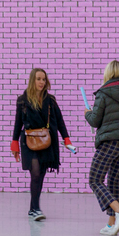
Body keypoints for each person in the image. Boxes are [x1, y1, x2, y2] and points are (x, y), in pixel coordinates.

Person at [84, 60, 119, 236]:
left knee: (95, 179)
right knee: (114, 180)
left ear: (107, 73)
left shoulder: (103, 94)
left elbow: (95, 121)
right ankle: (112, 224)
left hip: (109, 142)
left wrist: (88, 113)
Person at [11, 68, 72, 221]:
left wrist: (66, 139)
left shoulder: (50, 100)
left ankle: (33, 208)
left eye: (44, 79)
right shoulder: (22, 100)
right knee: (36, 173)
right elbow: (18, 123)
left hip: (47, 141)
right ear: (33, 80)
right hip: (29, 142)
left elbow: (59, 121)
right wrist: (14, 143)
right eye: (38, 79)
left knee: (41, 175)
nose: (41, 82)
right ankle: (36, 208)